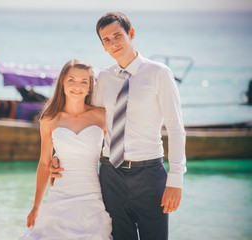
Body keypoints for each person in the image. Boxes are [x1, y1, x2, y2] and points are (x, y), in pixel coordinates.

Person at [50, 12, 186, 240]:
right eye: (106, 40)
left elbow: (175, 128)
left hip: (149, 176)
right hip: (110, 175)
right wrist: (59, 154)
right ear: (103, 46)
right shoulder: (103, 78)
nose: (113, 44)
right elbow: (87, 122)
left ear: (131, 34)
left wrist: (176, 178)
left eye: (117, 36)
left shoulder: (158, 73)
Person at [19, 59, 113, 239]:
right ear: (62, 82)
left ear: (90, 87)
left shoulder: (102, 115)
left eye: (84, 82)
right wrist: (36, 206)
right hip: (60, 195)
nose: (77, 86)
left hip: (92, 197)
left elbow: (117, 150)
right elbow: (44, 163)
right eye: (71, 80)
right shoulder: (49, 118)